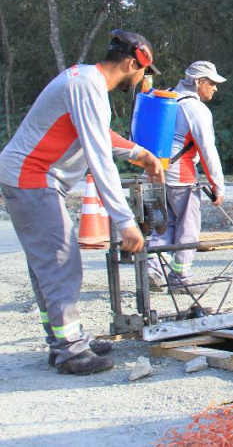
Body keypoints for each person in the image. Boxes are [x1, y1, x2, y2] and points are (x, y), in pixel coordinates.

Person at [0, 29, 165, 374]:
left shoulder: (87, 82)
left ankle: (65, 340)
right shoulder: (87, 86)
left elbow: (99, 133)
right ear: (132, 64)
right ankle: (71, 351)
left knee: (49, 265)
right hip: (32, 176)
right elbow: (99, 156)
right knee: (62, 261)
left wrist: (140, 154)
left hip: (37, 177)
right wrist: (126, 223)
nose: (142, 79)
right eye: (144, 72)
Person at [148, 61, 227, 295]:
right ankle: (181, 278)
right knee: (188, 227)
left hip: (153, 173)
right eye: (211, 83)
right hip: (180, 176)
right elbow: (207, 150)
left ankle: (153, 271)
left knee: (162, 225)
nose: (215, 88)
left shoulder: (166, 97)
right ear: (199, 82)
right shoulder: (195, 108)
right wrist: (218, 185)